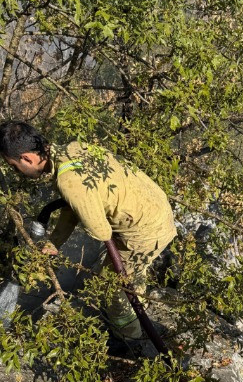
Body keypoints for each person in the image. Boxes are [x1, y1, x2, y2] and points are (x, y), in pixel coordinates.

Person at [0, 120, 176, 351]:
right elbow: (75, 202)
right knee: (131, 273)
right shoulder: (72, 149)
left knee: (111, 286)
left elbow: (100, 230)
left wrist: (69, 228)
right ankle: (134, 309)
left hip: (144, 230)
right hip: (155, 208)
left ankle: (129, 338)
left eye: (14, 166)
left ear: (27, 158)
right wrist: (54, 243)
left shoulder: (68, 180)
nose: (16, 172)